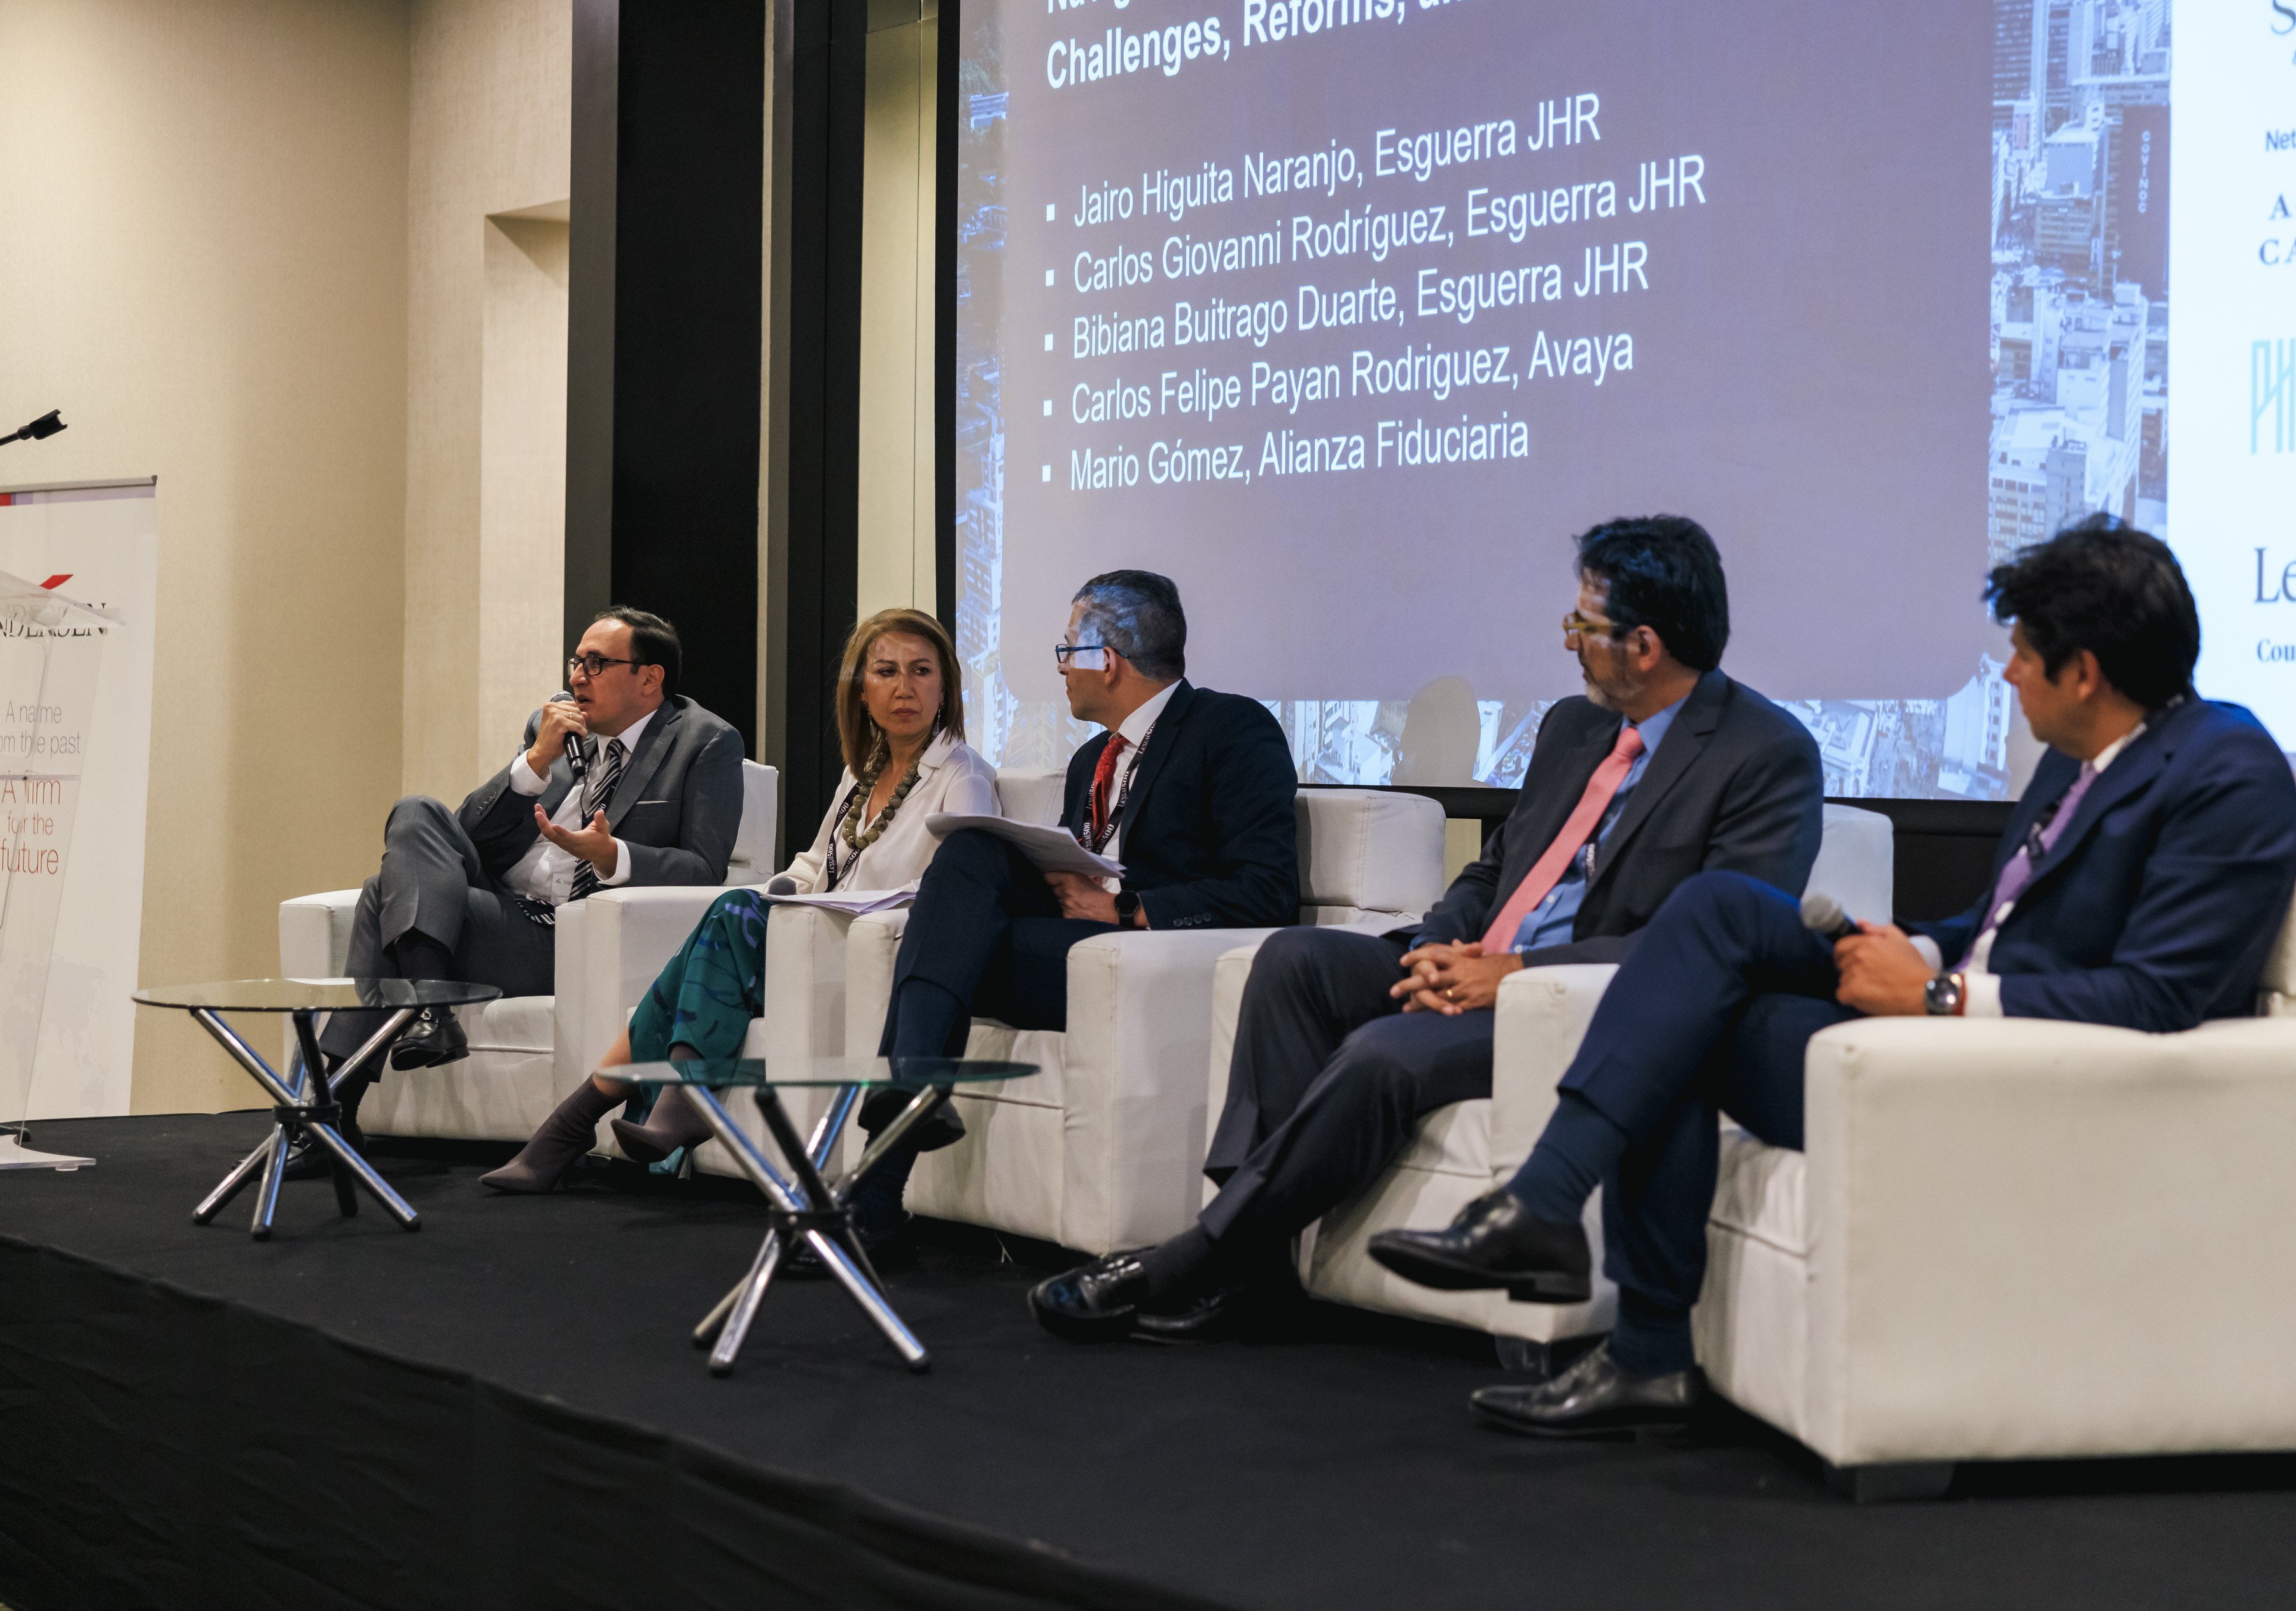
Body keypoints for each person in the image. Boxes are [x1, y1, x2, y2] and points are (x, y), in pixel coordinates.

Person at [1368, 518, 2296, 1439]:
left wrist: (1938, 996)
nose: (2009, 674)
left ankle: (1623, 1318)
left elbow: (2158, 998)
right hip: (1948, 1017)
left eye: (2023, 654)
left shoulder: (2227, 773)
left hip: (2010, 1066)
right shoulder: (2080, 758)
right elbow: (1998, 925)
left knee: (1690, 1014)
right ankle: (1563, 1238)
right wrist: (1918, 951)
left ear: (2086, 672)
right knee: (1716, 913)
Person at [1029, 515, 1827, 1343]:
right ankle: (1256, 1262)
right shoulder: (1574, 727)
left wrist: (1511, 975)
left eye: (1583, 625)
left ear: (1646, 646)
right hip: (1472, 964)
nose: (1569, 642)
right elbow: (1494, 871)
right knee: (1292, 961)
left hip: (1573, 1004)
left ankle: (1201, 1257)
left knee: (1383, 1052)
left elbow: (1714, 944)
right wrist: (1434, 945)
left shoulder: (1764, 754)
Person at [841, 569, 1300, 1251]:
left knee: (940, 945)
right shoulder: (1091, 759)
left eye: (1066, 650)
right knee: (970, 851)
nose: (1060, 668)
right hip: (1070, 951)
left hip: (1153, 964)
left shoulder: (1230, 728)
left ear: (1105, 660)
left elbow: (1267, 891)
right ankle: (909, 1111)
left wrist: (1125, 910)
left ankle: (878, 1183)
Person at [480, 608, 997, 1193]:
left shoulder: (962, 776)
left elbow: (954, 899)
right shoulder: (861, 773)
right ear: (862, 691)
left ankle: (585, 1122)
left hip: (877, 956)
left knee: (729, 917)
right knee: (724, 922)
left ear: (946, 686)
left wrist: (799, 911)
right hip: (815, 946)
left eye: (921, 671)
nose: (905, 688)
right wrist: (776, 898)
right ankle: (622, 1115)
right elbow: (813, 866)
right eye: (886, 672)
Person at [298, 607, 743, 1176]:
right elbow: (466, 837)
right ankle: (430, 1010)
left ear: (649, 678)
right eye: (576, 661)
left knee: (380, 892)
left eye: (596, 664)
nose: (577, 676)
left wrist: (613, 856)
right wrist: (534, 763)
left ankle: (333, 1110)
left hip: (568, 934)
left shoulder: (705, 741)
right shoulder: (552, 728)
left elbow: (704, 868)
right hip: (503, 912)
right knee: (417, 813)